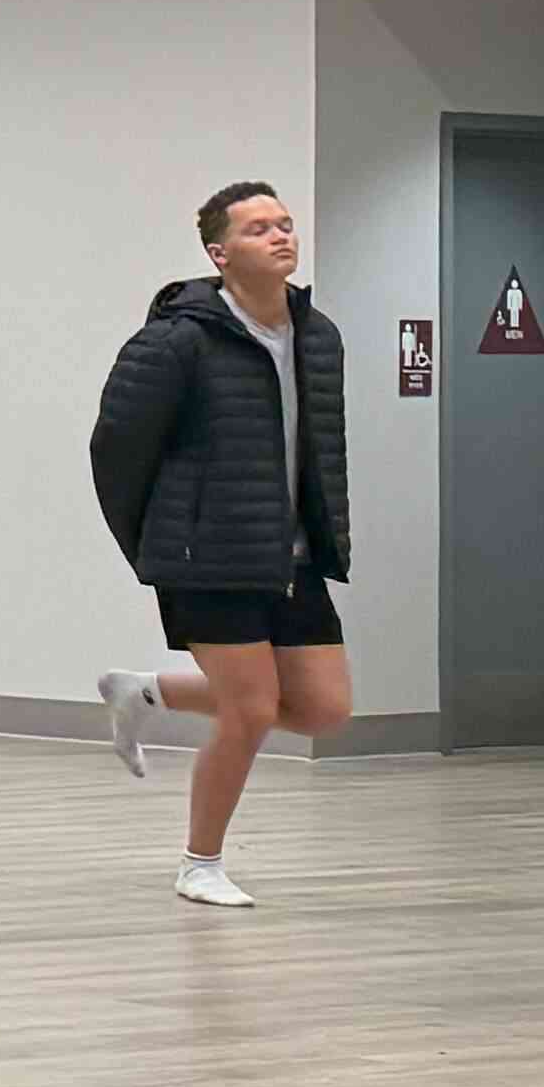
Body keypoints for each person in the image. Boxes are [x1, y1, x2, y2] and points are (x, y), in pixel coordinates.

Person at [88, 181, 352, 911]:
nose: (280, 236)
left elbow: (318, 448)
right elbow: (116, 448)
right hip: (206, 555)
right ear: (219, 252)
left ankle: (145, 692)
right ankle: (199, 863)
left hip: (291, 557)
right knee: (252, 709)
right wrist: (156, 543)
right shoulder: (176, 340)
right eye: (259, 228)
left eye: (286, 224)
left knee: (323, 708)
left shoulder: (318, 334)